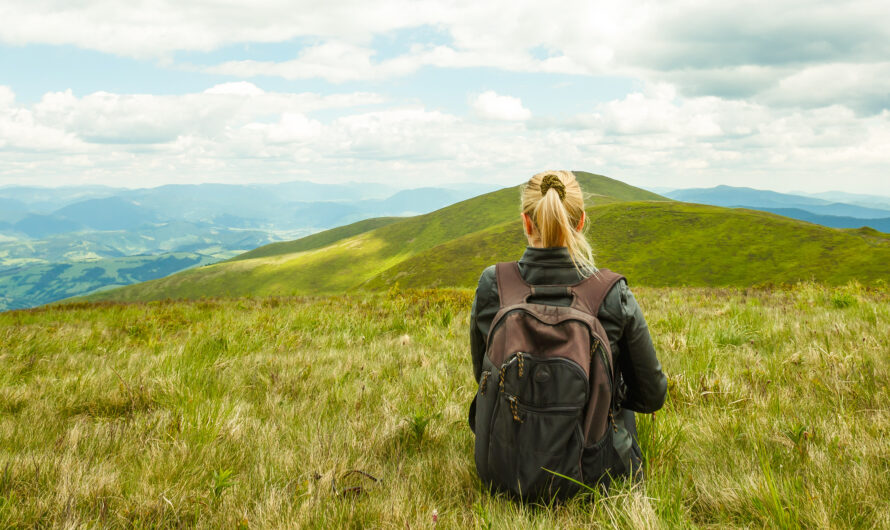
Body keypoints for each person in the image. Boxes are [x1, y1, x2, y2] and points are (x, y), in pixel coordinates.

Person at [468, 170, 667, 487]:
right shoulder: (611, 294)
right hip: (595, 474)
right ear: (581, 221)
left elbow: (483, 374)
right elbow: (652, 395)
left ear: (526, 222)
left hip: (503, 471)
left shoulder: (494, 285)